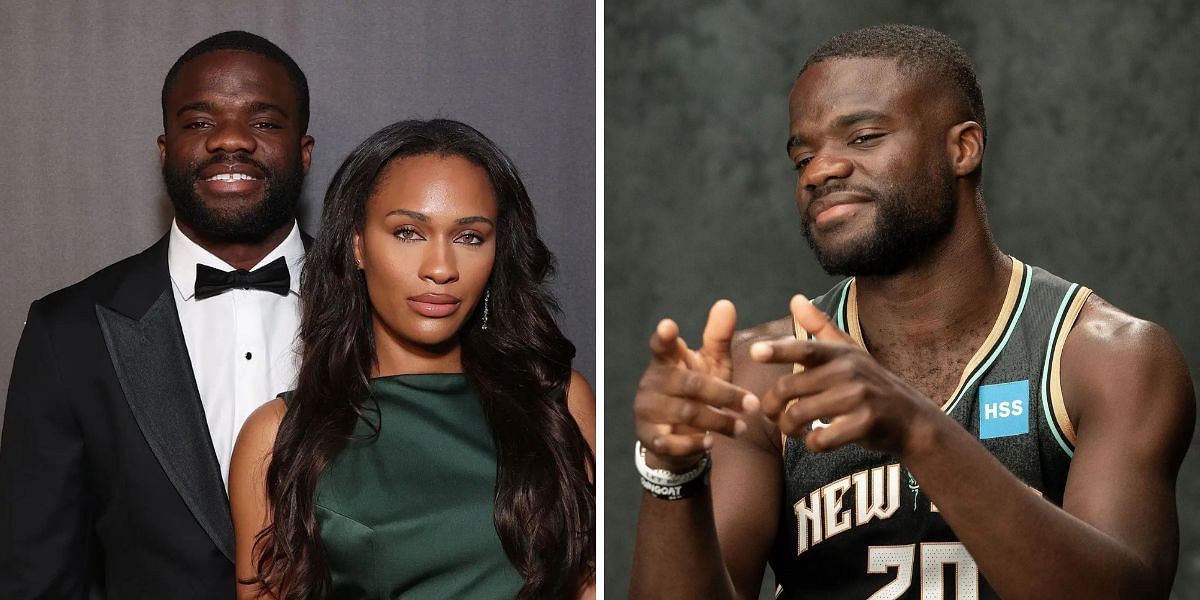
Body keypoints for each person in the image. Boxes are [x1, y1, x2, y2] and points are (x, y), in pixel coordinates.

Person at [630, 24, 1194, 599]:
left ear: (962, 148)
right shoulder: (764, 375)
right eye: (803, 157)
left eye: (865, 137)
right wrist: (672, 476)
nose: (820, 171)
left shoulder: (1105, 358)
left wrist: (920, 432)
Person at [0, 31, 314, 597]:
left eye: (264, 122)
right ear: (165, 151)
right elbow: (37, 575)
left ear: (304, 151)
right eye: (199, 123)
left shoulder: (380, 312)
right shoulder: (67, 333)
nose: (231, 141)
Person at [228, 119, 596, 599]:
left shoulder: (558, 401)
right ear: (357, 244)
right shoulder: (278, 435)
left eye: (469, 237)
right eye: (408, 232)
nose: (440, 269)